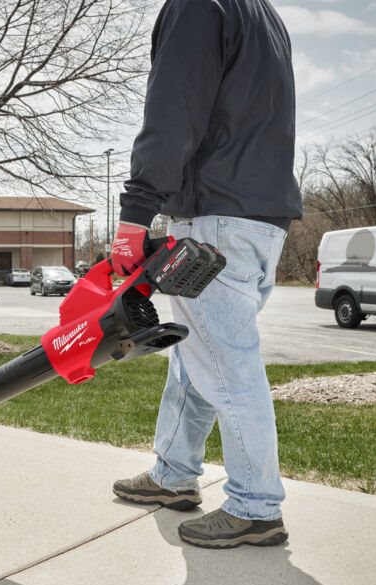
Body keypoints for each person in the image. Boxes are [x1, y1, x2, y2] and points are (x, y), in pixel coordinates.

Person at [110, 0, 302, 549]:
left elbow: (173, 109)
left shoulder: (199, 6)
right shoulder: (263, 15)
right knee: (201, 355)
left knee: (227, 365)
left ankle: (255, 506)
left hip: (218, 221)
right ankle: (173, 474)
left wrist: (135, 213)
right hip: (258, 219)